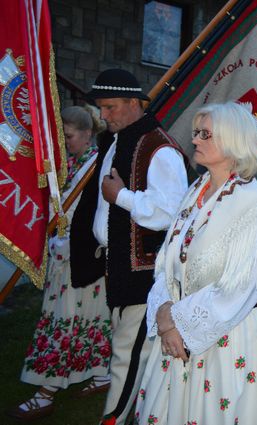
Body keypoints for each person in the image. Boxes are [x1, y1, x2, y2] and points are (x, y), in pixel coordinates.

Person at [134, 102, 257, 425]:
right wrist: (165, 314)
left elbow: (241, 288)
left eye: (205, 134)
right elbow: (166, 262)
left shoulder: (256, 205)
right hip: (179, 331)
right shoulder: (195, 192)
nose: (195, 141)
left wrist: (177, 320)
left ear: (233, 141)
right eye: (196, 133)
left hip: (231, 335)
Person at [70, 69, 189, 425]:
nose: (103, 115)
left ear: (134, 104)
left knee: (127, 352)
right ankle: (146, 413)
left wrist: (120, 195)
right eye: (101, 108)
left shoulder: (159, 148)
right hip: (120, 264)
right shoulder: (116, 141)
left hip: (146, 272)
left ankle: (114, 418)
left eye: (110, 107)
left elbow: (170, 212)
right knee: (136, 349)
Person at [7, 106, 111, 421]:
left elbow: (102, 215)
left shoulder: (97, 167)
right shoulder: (68, 165)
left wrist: (72, 241)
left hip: (82, 257)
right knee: (75, 318)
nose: (65, 142)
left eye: (69, 136)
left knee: (67, 319)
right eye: (61, 136)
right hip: (63, 255)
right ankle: (100, 372)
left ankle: (46, 392)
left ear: (87, 134)